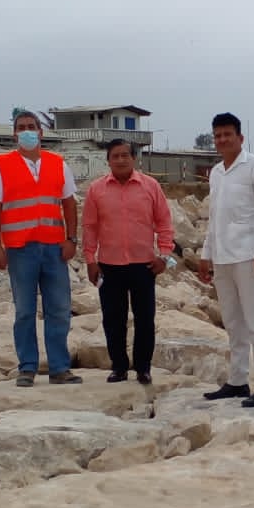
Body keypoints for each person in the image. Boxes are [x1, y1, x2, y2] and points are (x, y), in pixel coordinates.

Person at [0, 111, 83, 387]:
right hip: (20, 249)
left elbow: (69, 203)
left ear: (40, 132)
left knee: (59, 308)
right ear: (14, 134)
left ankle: (59, 368)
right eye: (21, 127)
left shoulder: (58, 163)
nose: (26, 131)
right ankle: (27, 367)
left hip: (54, 249)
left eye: (31, 126)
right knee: (25, 311)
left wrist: (72, 239)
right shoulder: (2, 165)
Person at [198, 113, 254, 408]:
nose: (222, 140)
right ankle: (237, 380)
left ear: (240, 138)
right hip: (222, 257)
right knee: (233, 322)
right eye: (217, 135)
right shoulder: (217, 173)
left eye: (227, 134)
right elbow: (214, 218)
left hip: (248, 255)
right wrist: (206, 254)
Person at [83, 139, 174, 384]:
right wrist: (90, 260)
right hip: (109, 265)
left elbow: (164, 222)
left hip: (144, 265)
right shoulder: (96, 190)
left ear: (134, 158)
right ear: (108, 160)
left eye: (125, 155)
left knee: (145, 319)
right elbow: (90, 227)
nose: (121, 160)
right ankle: (119, 367)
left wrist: (164, 256)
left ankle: (143, 368)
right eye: (115, 156)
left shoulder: (151, 186)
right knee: (113, 319)